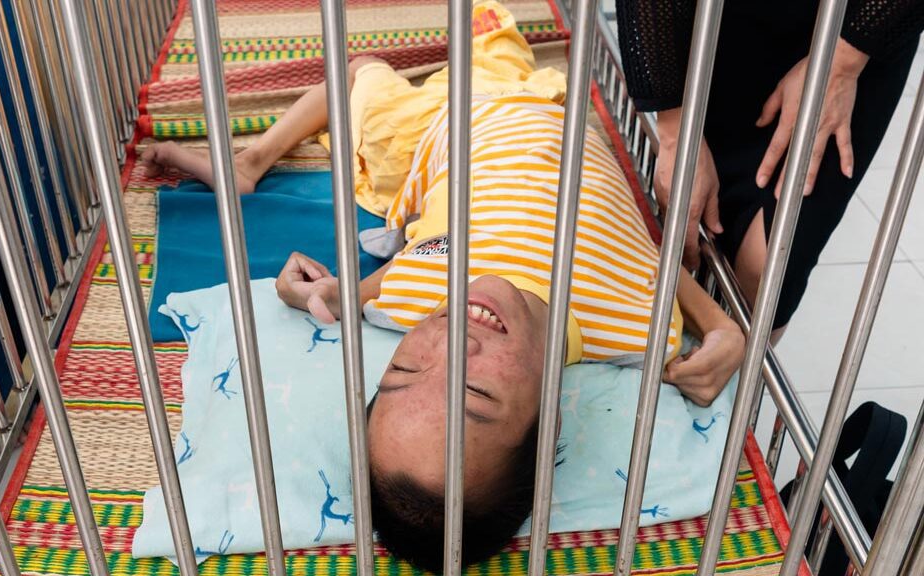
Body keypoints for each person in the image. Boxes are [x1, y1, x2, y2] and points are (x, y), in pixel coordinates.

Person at [143, 1, 744, 569]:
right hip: (541, 105)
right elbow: (652, 262)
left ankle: (249, 163)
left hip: (441, 125)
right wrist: (727, 333)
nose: (452, 341)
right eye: (476, 392)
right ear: (551, 419)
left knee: (358, 72)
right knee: (489, 37)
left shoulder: (419, 289)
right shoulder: (635, 325)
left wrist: (311, 293)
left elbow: (380, 276)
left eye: (404, 369)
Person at [616, 1, 923, 338]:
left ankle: (741, 366)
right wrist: (675, 129)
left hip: (861, 28)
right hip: (720, 22)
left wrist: (841, 66)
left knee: (769, 269)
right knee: (700, 227)